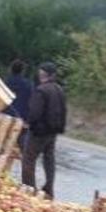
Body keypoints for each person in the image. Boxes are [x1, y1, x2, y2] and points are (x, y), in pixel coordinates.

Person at [22, 62, 67, 199]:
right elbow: (64, 110)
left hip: (39, 131)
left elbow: (35, 112)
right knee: (49, 160)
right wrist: (59, 127)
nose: (40, 75)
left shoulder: (41, 90)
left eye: (41, 73)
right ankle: (49, 189)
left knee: (29, 158)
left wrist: (28, 122)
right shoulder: (59, 89)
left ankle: (29, 188)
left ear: (44, 75)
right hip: (53, 131)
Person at [4, 60, 33, 150]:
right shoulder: (28, 85)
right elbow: (31, 102)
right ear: (22, 71)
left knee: (1, 141)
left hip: (5, 115)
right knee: (17, 143)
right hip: (20, 117)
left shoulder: (6, 82)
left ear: (11, 69)